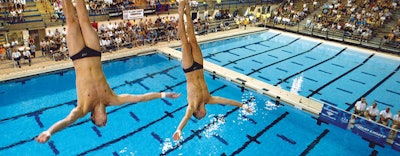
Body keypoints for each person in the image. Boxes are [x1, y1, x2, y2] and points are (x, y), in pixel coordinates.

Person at [35, 0, 180, 143]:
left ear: (93, 117)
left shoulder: (83, 108)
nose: (105, 123)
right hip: (94, 52)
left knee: (71, 22)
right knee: (85, 21)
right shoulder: (112, 99)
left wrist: (49, 132)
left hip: (77, 56)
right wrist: (164, 94)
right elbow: (140, 98)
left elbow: (67, 121)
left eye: (100, 124)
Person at [172, 0, 252, 141]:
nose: (205, 115)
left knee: (185, 42)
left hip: (189, 69)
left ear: (198, 113)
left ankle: (181, 11)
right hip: (199, 66)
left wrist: (179, 130)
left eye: (202, 116)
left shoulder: (192, 106)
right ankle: (188, 11)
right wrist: (242, 105)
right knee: (194, 40)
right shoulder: (209, 99)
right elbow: (227, 101)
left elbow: (185, 117)